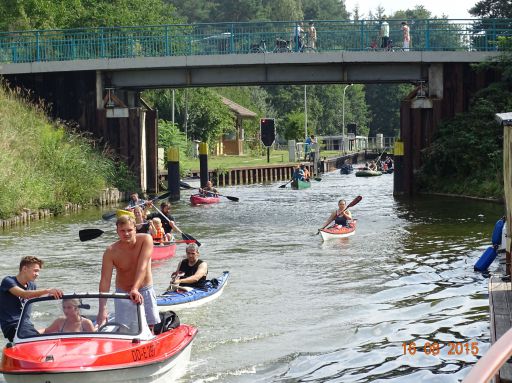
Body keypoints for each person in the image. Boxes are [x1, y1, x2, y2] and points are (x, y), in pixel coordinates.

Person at [97, 215, 160, 330]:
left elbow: (142, 267)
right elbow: (105, 280)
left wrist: (135, 288)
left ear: (135, 229)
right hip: (123, 293)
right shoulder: (110, 252)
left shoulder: (146, 240)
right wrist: (102, 309)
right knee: (125, 329)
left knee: (150, 327)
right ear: (117, 232)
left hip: (144, 289)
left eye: (129, 230)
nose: (126, 234)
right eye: (122, 231)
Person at [0, 256, 63, 342]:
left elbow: (35, 295)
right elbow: (24, 294)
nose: (37, 274)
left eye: (38, 271)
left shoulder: (32, 285)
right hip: (12, 325)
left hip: (26, 325)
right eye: (35, 271)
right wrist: (48, 290)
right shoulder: (8, 281)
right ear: (24, 268)